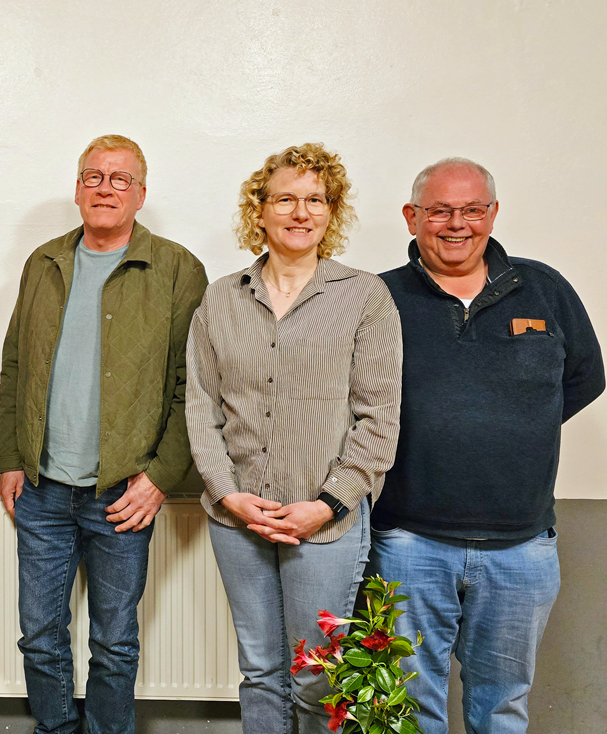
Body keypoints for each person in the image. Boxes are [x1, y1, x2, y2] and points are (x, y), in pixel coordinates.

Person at [368, 158, 604, 734]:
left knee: (501, 703)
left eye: (472, 210)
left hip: (521, 548)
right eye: (440, 211)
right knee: (407, 702)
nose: (457, 224)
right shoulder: (378, 298)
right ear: (411, 218)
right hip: (408, 542)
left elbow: (586, 377)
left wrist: (518, 429)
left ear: (492, 214)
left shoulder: (543, 288)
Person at [185, 143, 402, 734]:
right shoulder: (220, 299)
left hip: (325, 522)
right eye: (285, 198)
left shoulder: (364, 296)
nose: (300, 212)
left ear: (332, 213)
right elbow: (201, 407)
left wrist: (327, 504)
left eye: (316, 200)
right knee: (260, 670)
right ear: (260, 210)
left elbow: (378, 416)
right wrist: (227, 493)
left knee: (317, 675)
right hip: (238, 521)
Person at [0, 134, 207, 734]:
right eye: (94, 176)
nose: (105, 188)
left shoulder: (176, 268)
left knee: (114, 643)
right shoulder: (44, 262)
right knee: (39, 635)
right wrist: (12, 456)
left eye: (120, 179)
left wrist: (161, 478)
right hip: (41, 489)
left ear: (141, 193)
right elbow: (17, 365)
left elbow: (194, 385)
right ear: (77, 188)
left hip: (123, 491)